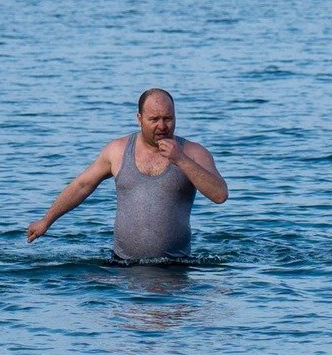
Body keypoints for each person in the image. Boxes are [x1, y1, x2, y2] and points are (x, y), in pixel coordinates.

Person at [26, 89, 229, 261]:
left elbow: (220, 195)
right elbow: (82, 185)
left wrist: (181, 160)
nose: (162, 126)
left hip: (175, 267)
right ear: (139, 119)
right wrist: (46, 221)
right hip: (122, 266)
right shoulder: (117, 150)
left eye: (167, 119)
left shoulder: (193, 153)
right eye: (154, 119)